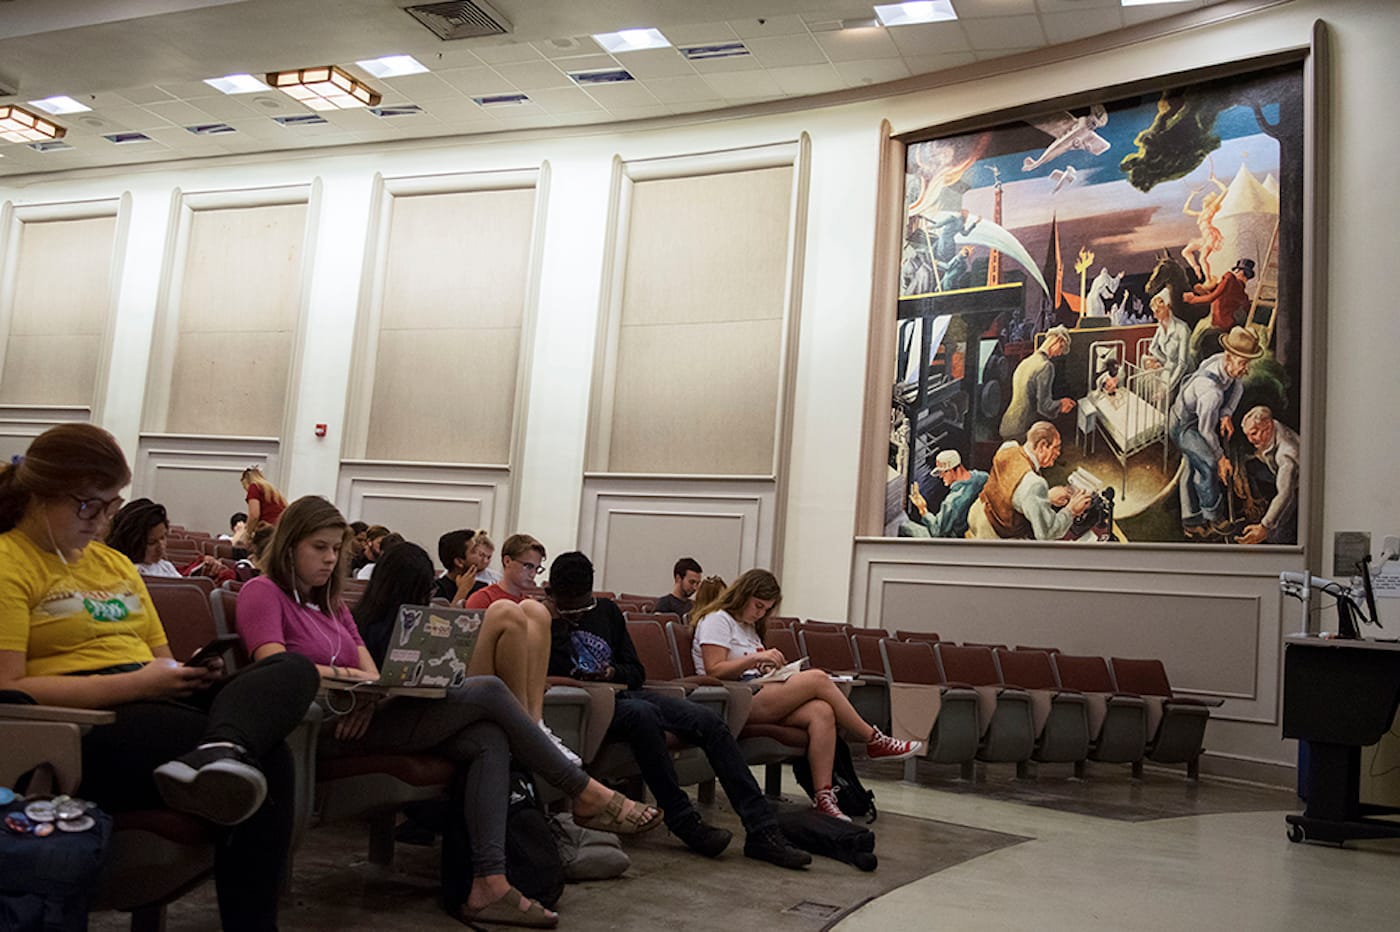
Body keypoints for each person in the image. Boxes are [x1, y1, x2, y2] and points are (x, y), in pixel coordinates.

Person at [235, 497, 661, 928]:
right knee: (490, 690)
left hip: (367, 712)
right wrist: (352, 681)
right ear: (289, 547)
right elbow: (276, 667)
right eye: (319, 548)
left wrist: (366, 687)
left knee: (488, 738)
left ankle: (488, 884)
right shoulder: (261, 592)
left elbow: (369, 670)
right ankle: (583, 790)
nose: (330, 560)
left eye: (335, 550)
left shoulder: (335, 607)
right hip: (317, 726)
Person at [0, 423, 320, 932]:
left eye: (111, 506)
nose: (103, 521)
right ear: (41, 495)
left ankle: (220, 750)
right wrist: (142, 684)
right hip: (79, 725)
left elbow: (159, 658)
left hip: (149, 698)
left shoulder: (114, 566)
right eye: (90, 506)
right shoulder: (9, 563)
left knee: (293, 669)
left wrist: (187, 673)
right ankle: (221, 757)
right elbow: (11, 689)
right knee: (270, 757)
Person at [545, 552, 810, 869]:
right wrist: (558, 623)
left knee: (709, 721)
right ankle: (684, 820)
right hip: (583, 705)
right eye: (570, 608)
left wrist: (612, 674)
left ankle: (762, 830)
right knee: (643, 715)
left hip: (622, 693)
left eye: (584, 606)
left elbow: (635, 671)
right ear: (552, 595)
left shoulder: (607, 612)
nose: (579, 614)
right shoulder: (541, 619)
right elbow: (550, 672)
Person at [691, 569, 921, 822]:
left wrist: (768, 667)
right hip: (732, 700)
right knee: (818, 679)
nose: (760, 614)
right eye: (757, 606)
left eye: (766, 610)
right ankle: (873, 738)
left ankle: (823, 797)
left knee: (822, 712)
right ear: (743, 594)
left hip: (757, 690)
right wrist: (757, 658)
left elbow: (748, 663)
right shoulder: (717, 619)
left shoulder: (749, 628)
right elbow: (714, 669)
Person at [1170, 326, 1264, 540]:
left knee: (1192, 465)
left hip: (1199, 416)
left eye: (1247, 363)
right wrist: (1221, 458)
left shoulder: (1224, 363)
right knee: (1208, 464)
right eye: (1243, 363)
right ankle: (1213, 517)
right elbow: (1205, 430)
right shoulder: (1210, 392)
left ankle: (1191, 521)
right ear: (1229, 357)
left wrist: (1226, 414)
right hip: (1184, 425)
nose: (1246, 369)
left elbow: (1237, 386)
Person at [968, 422, 1091, 540]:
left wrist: (1046, 497)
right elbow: (1046, 533)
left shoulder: (1009, 447)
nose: (1058, 453)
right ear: (1042, 446)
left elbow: (1012, 492)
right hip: (993, 533)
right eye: (1056, 447)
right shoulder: (1035, 484)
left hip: (977, 512)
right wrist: (1071, 510)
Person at [1235, 406, 1300, 545]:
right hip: (1276, 472)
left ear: (1268, 427)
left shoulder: (1286, 453)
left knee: (1276, 536)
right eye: (1247, 435)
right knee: (1251, 467)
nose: (1250, 440)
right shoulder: (1271, 425)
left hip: (1297, 487)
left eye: (1253, 434)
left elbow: (1285, 494)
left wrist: (1264, 527)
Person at [1000, 325, 1076, 441]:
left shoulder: (1026, 362)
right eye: (1062, 348)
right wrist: (1061, 404)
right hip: (1023, 428)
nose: (1060, 354)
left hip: (1008, 425)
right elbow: (1044, 407)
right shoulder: (1046, 366)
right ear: (1058, 340)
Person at [901, 450, 988, 538]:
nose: (941, 476)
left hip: (952, 539)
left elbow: (937, 532)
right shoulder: (982, 478)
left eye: (944, 472)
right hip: (971, 530)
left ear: (956, 470)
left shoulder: (952, 501)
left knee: (904, 526)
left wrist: (923, 509)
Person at [1183, 258, 1255, 363]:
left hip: (1217, 320)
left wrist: (1192, 299)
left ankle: (1192, 361)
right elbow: (1221, 299)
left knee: (1194, 342)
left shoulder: (1229, 278)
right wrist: (1203, 291)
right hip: (1229, 324)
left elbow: (1212, 297)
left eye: (1236, 270)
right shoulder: (1243, 295)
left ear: (1239, 271)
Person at [1141, 286, 1192, 394]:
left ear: (1167, 307)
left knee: (1164, 395)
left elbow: (1182, 364)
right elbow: (1152, 348)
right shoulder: (1161, 327)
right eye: (1154, 312)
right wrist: (1161, 361)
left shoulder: (1182, 329)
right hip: (1170, 368)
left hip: (1183, 375)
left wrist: (1167, 388)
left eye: (1158, 311)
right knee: (1147, 385)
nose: (1155, 315)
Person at [434, 528, 487, 604]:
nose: (480, 555)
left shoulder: (482, 588)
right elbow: (445, 616)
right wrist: (462, 591)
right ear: (459, 562)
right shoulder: (437, 589)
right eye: (474, 551)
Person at [239, 466, 286, 530]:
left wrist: (247, 532)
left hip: (269, 528)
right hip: (282, 526)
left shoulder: (254, 487)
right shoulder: (271, 489)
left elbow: (254, 515)